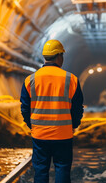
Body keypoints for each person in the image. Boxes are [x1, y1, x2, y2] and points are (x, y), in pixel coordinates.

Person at [21, 39, 84, 183]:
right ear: (59, 56)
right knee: (62, 167)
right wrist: (73, 125)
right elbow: (77, 108)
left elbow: (24, 108)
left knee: (41, 169)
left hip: (40, 134)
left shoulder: (30, 80)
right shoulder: (71, 79)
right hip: (63, 134)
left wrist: (32, 126)